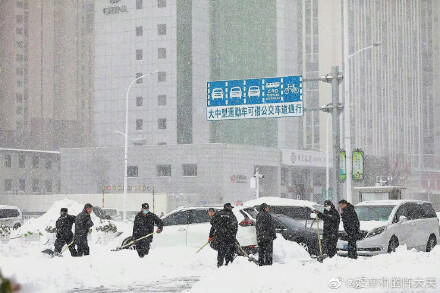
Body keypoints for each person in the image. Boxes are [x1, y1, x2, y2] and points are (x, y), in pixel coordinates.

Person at [209, 203, 238, 267]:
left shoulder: (218, 214)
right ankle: (228, 264)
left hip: (220, 237)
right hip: (229, 237)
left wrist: (211, 236)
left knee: (221, 251)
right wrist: (233, 236)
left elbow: (213, 224)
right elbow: (235, 227)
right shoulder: (231, 215)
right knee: (230, 251)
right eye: (230, 207)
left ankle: (220, 265)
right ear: (227, 207)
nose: (231, 209)